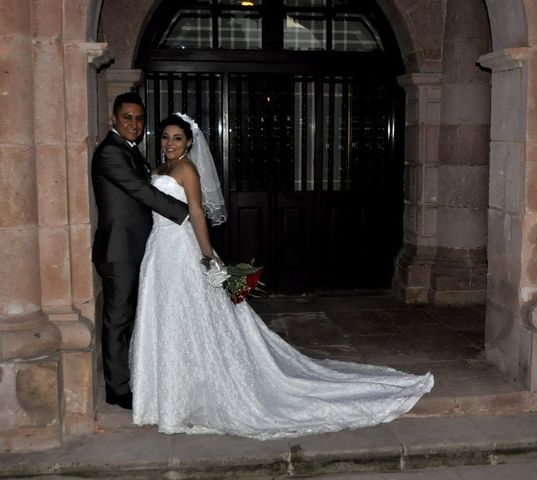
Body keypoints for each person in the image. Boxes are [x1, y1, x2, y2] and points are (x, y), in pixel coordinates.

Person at [130, 113, 434, 439]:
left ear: (189, 142)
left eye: (177, 138)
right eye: (165, 137)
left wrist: (207, 256)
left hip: (182, 249)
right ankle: (164, 395)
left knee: (189, 318)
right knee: (167, 318)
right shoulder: (159, 168)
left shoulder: (187, 169)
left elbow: (197, 212)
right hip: (158, 249)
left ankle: (187, 394)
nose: (170, 143)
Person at [92, 93, 189, 410]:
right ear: (114, 119)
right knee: (118, 320)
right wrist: (186, 212)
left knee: (132, 319)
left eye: (138, 118)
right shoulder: (109, 153)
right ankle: (117, 390)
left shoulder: (132, 151)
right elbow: (141, 191)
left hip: (138, 247)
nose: (134, 124)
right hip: (119, 250)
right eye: (127, 118)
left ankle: (131, 377)